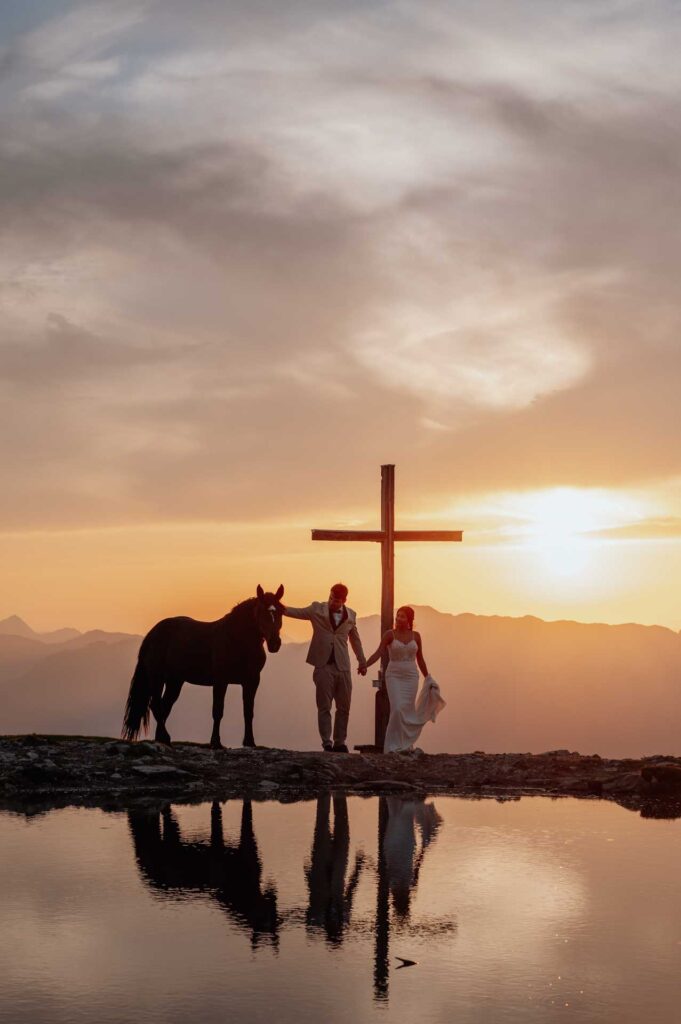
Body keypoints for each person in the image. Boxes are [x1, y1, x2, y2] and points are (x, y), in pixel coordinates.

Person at [283, 583, 367, 752]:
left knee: (344, 707)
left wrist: (362, 660)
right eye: (330, 598)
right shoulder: (316, 609)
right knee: (324, 705)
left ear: (344, 600)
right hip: (323, 665)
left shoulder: (351, 615)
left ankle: (340, 742)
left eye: (336, 601)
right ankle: (326, 742)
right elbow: (295, 612)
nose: (332, 602)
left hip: (343, 666)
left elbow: (355, 640)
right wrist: (275, 606)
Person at [365, 606, 445, 754]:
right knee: (397, 709)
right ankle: (392, 746)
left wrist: (428, 677)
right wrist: (365, 664)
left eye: (402, 616)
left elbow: (420, 659)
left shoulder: (416, 636)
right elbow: (379, 652)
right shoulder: (390, 634)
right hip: (394, 675)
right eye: (398, 616)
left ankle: (405, 745)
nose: (399, 619)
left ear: (409, 619)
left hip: (411, 677)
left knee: (407, 710)